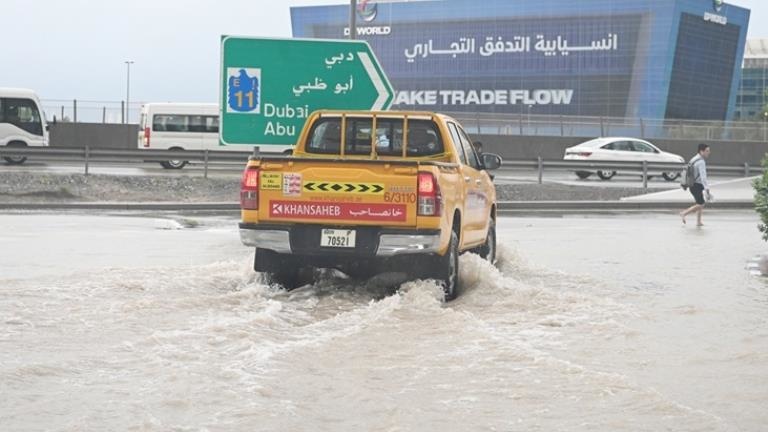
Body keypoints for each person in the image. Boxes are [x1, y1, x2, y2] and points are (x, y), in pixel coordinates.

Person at [679, 144, 712, 226]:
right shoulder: (701, 162)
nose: (709, 152)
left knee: (699, 202)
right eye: (707, 151)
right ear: (701, 151)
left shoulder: (694, 159)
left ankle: (698, 221)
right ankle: (684, 213)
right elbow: (703, 177)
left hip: (692, 184)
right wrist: (707, 188)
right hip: (696, 185)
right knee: (701, 204)